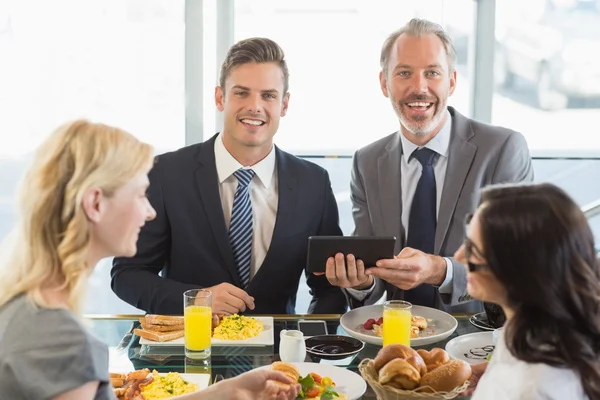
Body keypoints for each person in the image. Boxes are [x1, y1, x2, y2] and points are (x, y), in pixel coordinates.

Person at [0, 120, 300, 400]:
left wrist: (230, 391)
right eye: (141, 195)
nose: (150, 212)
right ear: (94, 203)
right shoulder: (59, 343)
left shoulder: (30, 310)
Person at [111, 37, 347, 316]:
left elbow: (329, 288)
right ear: (220, 97)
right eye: (241, 93)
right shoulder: (166, 173)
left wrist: (309, 345)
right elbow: (127, 274)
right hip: (190, 352)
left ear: (284, 105)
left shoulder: (314, 184)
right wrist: (195, 300)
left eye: (268, 95)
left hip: (276, 356)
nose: (255, 106)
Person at [320, 18, 534, 312]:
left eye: (432, 73)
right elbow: (374, 276)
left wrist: (440, 270)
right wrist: (360, 283)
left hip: (478, 340)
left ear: (452, 81)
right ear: (385, 83)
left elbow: (519, 266)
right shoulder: (367, 162)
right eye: (404, 73)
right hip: (398, 341)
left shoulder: (502, 150)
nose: (419, 88)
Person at [455, 182, 600, 399]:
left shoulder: (537, 388)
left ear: (518, 266)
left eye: (473, 250)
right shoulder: (525, 329)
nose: (458, 257)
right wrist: (494, 383)